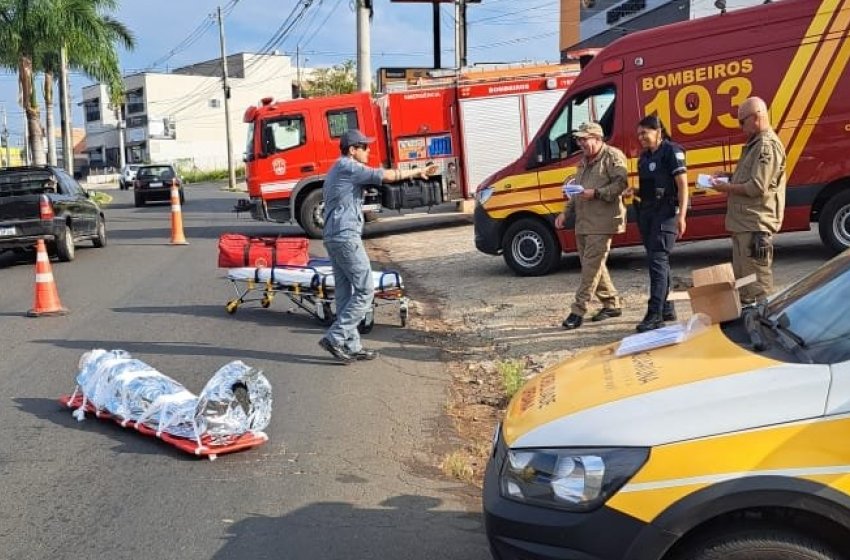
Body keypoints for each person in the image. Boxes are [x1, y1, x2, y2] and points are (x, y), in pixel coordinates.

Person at [318, 129, 437, 364]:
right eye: (364, 146)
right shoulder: (348, 167)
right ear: (352, 150)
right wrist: (418, 171)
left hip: (333, 235)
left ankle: (351, 345)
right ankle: (335, 337)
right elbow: (385, 176)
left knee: (344, 293)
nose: (369, 150)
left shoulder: (337, 168)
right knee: (365, 290)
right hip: (345, 235)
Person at [710, 97, 786, 304]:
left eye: (741, 121)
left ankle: (766, 324)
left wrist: (725, 187)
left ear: (756, 117)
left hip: (755, 224)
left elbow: (757, 187)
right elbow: (748, 178)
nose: (740, 126)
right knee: (744, 282)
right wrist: (727, 176)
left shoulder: (766, 147)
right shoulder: (754, 144)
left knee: (758, 285)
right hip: (743, 224)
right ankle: (749, 322)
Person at [555, 122, 629, 330]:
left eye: (584, 139)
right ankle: (612, 303)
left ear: (598, 138)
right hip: (584, 222)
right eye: (579, 140)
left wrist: (596, 193)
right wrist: (565, 213)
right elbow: (577, 192)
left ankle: (578, 310)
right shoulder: (583, 163)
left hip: (603, 221)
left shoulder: (613, 157)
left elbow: (621, 184)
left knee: (590, 268)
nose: (581, 143)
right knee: (594, 265)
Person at [634, 115, 689, 332]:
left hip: (666, 212)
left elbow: (683, 186)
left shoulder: (671, 151)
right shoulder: (644, 158)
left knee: (657, 261)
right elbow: (650, 189)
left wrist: (682, 216)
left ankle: (654, 313)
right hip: (648, 212)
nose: (641, 138)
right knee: (659, 261)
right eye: (638, 134)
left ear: (658, 131)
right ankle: (667, 308)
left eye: (644, 133)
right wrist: (635, 191)